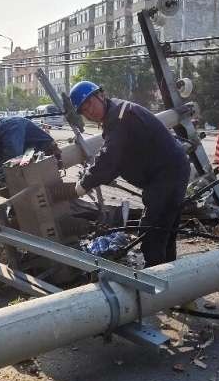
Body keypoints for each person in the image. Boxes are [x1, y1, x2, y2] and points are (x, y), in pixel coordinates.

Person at [69, 81, 190, 267]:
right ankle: (171, 278)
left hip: (166, 175)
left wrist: (82, 185)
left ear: (100, 95)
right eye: (84, 110)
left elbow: (109, 159)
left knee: (151, 235)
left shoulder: (119, 117)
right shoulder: (116, 112)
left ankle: (158, 285)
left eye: (90, 104)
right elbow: (116, 156)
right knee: (165, 229)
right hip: (170, 170)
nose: (89, 112)